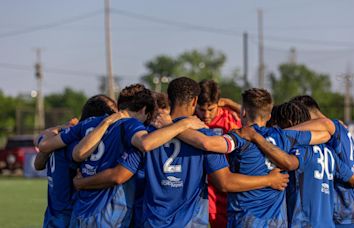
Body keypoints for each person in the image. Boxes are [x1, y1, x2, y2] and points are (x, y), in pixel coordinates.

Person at [74, 77, 290, 228]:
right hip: (191, 222)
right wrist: (268, 180)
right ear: (195, 102)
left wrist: (83, 182)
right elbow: (224, 182)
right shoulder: (204, 136)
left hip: (152, 221)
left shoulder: (149, 133)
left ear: (169, 98)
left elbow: (119, 175)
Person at [242, 101, 354, 228]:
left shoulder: (297, 150)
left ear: (288, 124)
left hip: (302, 223)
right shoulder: (329, 152)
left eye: (277, 128)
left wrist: (258, 139)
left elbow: (288, 163)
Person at [223, 88, 333, 227]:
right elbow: (327, 131)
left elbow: (225, 182)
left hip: (249, 218)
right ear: (269, 116)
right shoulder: (288, 137)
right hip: (284, 222)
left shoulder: (239, 138)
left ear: (243, 112)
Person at [34, 94, 117, 228]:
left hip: (53, 211)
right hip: (69, 210)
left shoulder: (57, 138)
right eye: (113, 112)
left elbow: (38, 164)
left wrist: (61, 127)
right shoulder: (76, 142)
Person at [290, 95, 354, 228]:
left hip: (344, 211)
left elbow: (325, 123)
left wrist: (276, 133)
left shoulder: (331, 126)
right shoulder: (339, 128)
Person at [196, 79, 242, 227]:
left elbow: (260, 115)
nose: (206, 115)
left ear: (219, 104)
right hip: (200, 184)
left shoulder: (231, 120)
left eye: (211, 109)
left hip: (224, 184)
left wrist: (232, 104)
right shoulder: (190, 120)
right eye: (201, 110)